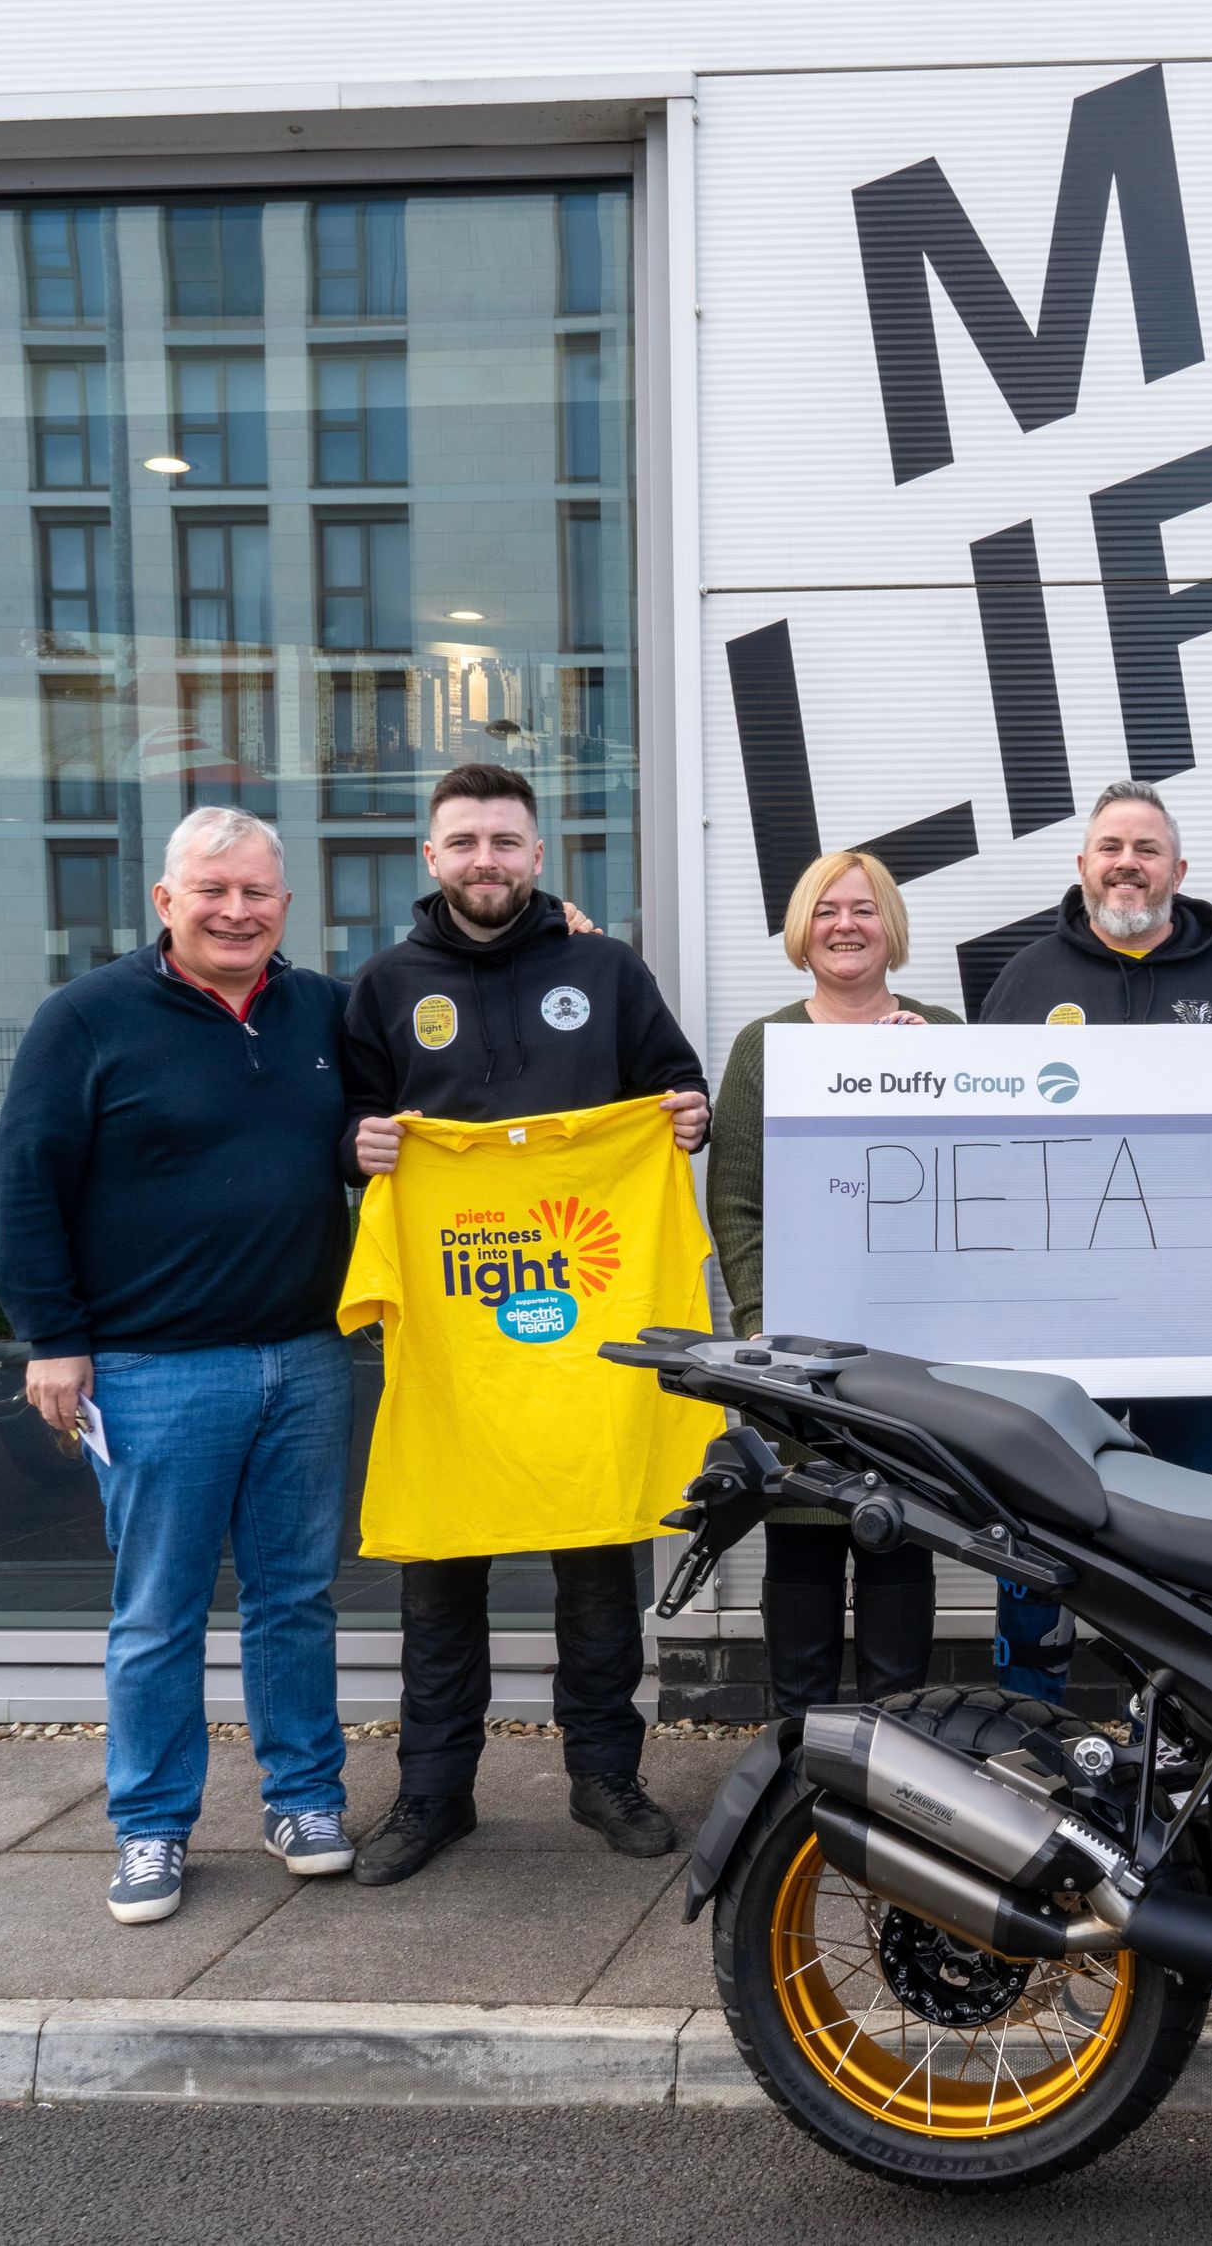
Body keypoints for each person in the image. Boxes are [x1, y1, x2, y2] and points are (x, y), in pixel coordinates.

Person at [0, 808, 357, 1923]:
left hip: (306, 1358)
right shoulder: (86, 1017)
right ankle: (150, 1825)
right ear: (165, 900)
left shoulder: (323, 1010)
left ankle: (305, 1799)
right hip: (151, 1370)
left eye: (256, 891)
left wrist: (556, 934)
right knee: (159, 1610)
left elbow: (440, 1054)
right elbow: (23, 1185)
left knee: (296, 1598)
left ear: (285, 903)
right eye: (212, 890)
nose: (236, 911)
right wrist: (53, 1337)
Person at [341, 761, 711, 1884]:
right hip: (455, 1344)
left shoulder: (606, 968)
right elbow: (345, 1118)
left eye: (505, 841)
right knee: (440, 1572)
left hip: (582, 1333)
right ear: (431, 857)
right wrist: (357, 1144)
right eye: (464, 842)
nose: (486, 860)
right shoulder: (386, 984)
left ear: (538, 856)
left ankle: (604, 1776)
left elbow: (675, 1082)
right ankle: (432, 1794)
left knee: (597, 1564)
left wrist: (686, 1116)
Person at [975, 778, 1212, 1698]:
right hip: (1050, 1320)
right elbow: (969, 1131)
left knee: (1180, 1521)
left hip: (1193, 1317)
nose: (1128, 864)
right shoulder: (1027, 978)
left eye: (1147, 849)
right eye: (1111, 847)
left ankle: (1168, 1719)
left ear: (1179, 869)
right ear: (1083, 864)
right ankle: (1029, 1718)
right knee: (1033, 1515)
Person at [706, 850, 958, 1722]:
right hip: (797, 1352)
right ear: (801, 930)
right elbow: (736, 1202)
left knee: (903, 1536)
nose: (844, 925)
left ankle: (899, 1751)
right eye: (825, 910)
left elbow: (977, 1182)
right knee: (803, 1537)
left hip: (912, 1351)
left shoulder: (942, 1036)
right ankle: (798, 1752)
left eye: (863, 908)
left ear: (891, 925)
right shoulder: (764, 1045)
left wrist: (933, 1083)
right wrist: (761, 1324)